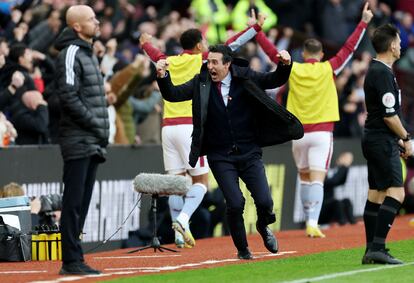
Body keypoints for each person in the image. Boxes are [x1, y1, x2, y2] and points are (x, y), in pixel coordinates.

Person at [155, 44, 303, 259]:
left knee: (265, 202)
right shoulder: (201, 82)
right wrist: (163, 76)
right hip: (220, 154)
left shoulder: (245, 76)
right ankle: (243, 250)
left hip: (249, 151)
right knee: (235, 203)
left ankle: (263, 226)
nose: (210, 66)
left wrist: (285, 64)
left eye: (215, 62)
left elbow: (274, 80)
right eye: (209, 62)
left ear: (227, 64)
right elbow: (173, 95)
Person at [140, 15, 265, 249]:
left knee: (176, 182)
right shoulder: (203, 59)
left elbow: (153, 54)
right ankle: (183, 219)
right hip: (190, 126)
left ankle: (179, 234)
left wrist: (145, 42)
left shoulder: (168, 60)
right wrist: (256, 27)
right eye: (205, 43)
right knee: (201, 181)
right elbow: (232, 44)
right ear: (198, 46)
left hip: (168, 128)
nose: (208, 47)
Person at [255, 2, 373, 238]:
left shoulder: (294, 69)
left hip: (298, 134)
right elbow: (349, 48)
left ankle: (308, 218)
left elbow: (272, 54)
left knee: (305, 177)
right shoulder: (328, 68)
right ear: (320, 55)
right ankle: (312, 222)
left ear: (304, 54)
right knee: (318, 178)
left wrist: (258, 31)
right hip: (321, 133)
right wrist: (363, 22)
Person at [54, 5, 109, 275]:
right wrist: (96, 123)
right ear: (77, 26)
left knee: (82, 203)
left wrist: (97, 130)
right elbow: (68, 96)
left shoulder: (87, 54)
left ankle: (75, 257)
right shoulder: (71, 53)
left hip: (91, 139)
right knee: (74, 202)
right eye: (91, 19)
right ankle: (71, 261)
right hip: (78, 139)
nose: (97, 22)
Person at [361, 23, 412, 265]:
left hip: (375, 138)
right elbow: (389, 115)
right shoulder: (381, 72)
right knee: (396, 193)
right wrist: (406, 137)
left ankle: (371, 249)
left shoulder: (379, 70)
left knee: (376, 194)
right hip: (381, 139)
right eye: (399, 42)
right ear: (392, 45)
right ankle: (378, 247)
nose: (401, 45)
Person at [319, 152, 356, 226]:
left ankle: (353, 224)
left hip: (328, 209)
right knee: (336, 203)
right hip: (320, 213)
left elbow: (340, 181)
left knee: (346, 201)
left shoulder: (325, 176)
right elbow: (334, 181)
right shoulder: (318, 179)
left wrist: (344, 166)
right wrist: (344, 166)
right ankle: (343, 224)